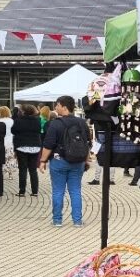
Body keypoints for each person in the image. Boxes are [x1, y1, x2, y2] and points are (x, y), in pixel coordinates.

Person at [41, 95, 91, 227]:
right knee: (75, 190)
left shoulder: (55, 124)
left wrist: (42, 161)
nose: (55, 108)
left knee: (58, 191)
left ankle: (57, 220)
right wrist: (86, 160)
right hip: (78, 161)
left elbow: (48, 144)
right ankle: (77, 221)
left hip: (59, 161)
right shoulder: (81, 122)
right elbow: (87, 143)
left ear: (64, 107)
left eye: (57, 105)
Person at [12, 104, 43, 197]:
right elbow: (38, 131)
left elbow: (13, 131)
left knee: (22, 169)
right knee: (33, 170)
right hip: (35, 146)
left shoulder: (18, 121)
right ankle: (35, 191)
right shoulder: (37, 120)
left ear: (23, 111)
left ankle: (22, 191)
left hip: (22, 146)